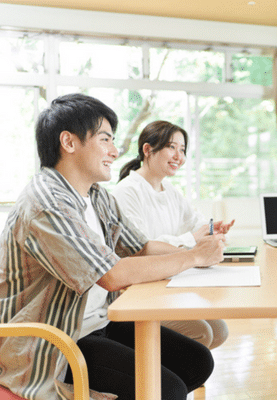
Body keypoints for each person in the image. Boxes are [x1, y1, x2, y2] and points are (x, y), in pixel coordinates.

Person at [0, 93, 224, 400]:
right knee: (167, 390)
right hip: (54, 341)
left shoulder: (96, 195)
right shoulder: (46, 202)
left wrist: (199, 252)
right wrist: (193, 255)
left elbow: (140, 247)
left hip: (96, 323)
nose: (115, 151)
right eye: (105, 140)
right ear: (69, 142)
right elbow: (111, 275)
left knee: (197, 361)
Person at [112, 120, 233, 349]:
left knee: (219, 331)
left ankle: (178, 378)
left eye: (183, 149)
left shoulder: (170, 190)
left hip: (168, 281)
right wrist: (192, 240)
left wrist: (211, 229)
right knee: (202, 334)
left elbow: (194, 221)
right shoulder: (126, 191)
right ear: (147, 150)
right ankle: (159, 382)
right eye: (172, 147)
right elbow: (141, 248)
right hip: (139, 288)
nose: (179, 155)